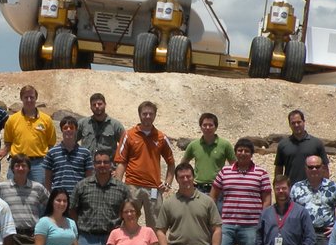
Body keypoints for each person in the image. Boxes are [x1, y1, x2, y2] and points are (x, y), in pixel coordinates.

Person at [115, 100, 175, 228]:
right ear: (139, 115)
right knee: (127, 221)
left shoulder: (161, 137)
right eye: (145, 114)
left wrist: (168, 183)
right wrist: (118, 185)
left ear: (155, 115)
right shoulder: (129, 135)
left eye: (150, 114)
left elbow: (171, 163)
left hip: (154, 188)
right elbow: (121, 162)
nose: (147, 116)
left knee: (156, 225)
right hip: (132, 186)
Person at [2, 84, 56, 183]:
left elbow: (51, 144)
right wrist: (2, 152)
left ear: (36, 98)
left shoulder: (46, 120)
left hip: (39, 165)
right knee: (13, 192)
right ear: (21, 99)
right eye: (26, 97)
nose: (29, 100)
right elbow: (8, 142)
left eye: (32, 97)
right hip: (17, 163)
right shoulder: (12, 120)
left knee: (40, 193)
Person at [181, 113, 235, 193]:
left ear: (216, 127)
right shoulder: (194, 145)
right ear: (200, 127)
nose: (207, 128)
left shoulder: (225, 145)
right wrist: (189, 179)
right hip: (198, 188)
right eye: (204, 125)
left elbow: (234, 166)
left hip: (217, 188)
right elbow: (183, 165)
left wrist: (228, 181)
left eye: (210, 125)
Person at [274, 109, 328, 186]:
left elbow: (324, 168)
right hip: (291, 189)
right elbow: (279, 169)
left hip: (312, 189)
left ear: (304, 122)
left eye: (299, 122)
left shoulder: (316, 143)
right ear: (289, 125)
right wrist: (279, 186)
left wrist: (325, 188)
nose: (296, 125)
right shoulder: (283, 145)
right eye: (293, 123)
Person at [44, 114, 93, 192]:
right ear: (61, 130)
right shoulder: (52, 153)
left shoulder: (85, 153)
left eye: (71, 127)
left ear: (76, 130)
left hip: (78, 196)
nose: (68, 130)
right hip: (58, 197)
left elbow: (89, 178)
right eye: (65, 128)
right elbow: (47, 179)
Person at [77, 92, 124, 161]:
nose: (97, 106)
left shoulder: (115, 125)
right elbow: (71, 142)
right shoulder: (83, 123)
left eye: (99, 104)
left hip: (108, 168)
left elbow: (125, 146)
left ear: (105, 105)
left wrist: (118, 166)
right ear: (90, 107)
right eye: (94, 105)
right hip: (87, 168)